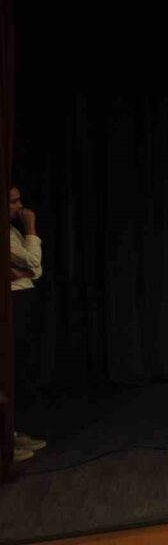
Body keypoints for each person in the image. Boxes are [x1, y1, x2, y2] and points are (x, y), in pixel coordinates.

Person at [9, 186, 47, 462]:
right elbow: (33, 260)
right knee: (11, 369)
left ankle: (10, 432)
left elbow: (35, 270)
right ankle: (7, 440)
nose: (20, 207)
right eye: (13, 201)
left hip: (23, 298)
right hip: (12, 301)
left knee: (21, 368)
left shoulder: (13, 231)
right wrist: (31, 226)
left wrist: (24, 270)